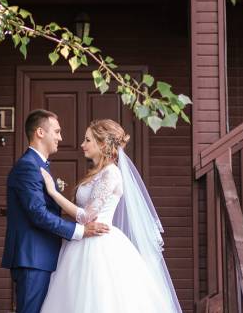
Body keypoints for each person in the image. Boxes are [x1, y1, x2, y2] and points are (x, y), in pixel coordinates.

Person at [38, 119, 182, 313]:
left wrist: (53, 193)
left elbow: (87, 216)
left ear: (103, 144)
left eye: (87, 140)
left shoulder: (111, 174)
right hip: (81, 242)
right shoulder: (96, 173)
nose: (82, 144)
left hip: (100, 243)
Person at [1, 109, 111, 313]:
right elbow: (38, 213)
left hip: (41, 256)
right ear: (40, 132)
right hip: (33, 257)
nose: (60, 137)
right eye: (57, 131)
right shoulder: (28, 167)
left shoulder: (39, 165)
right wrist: (80, 231)